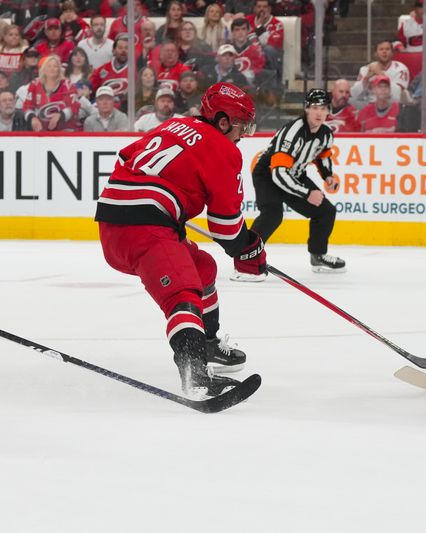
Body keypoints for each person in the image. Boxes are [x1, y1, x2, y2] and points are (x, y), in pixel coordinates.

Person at [95, 82, 264, 397]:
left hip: (115, 220)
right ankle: (195, 375)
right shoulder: (224, 149)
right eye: (241, 126)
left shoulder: (175, 124)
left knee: (203, 269)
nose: (243, 135)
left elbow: (126, 159)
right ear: (224, 121)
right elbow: (226, 229)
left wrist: (167, 211)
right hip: (144, 228)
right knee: (182, 291)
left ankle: (207, 343)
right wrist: (249, 248)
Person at [237, 88, 345, 280]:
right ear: (306, 109)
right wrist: (306, 193)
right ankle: (246, 259)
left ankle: (318, 255)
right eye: (315, 107)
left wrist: (327, 176)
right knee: (272, 215)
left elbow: (322, 155)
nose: (319, 112)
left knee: (326, 211)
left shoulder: (326, 134)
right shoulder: (293, 132)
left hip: (294, 173)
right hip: (268, 174)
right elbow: (278, 174)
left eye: (324, 108)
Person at [23, 55, 80, 132]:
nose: (52, 69)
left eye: (55, 66)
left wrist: (61, 115)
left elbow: (75, 107)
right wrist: (32, 117)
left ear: (59, 69)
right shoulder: (35, 85)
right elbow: (27, 106)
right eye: (49, 66)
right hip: (41, 129)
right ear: (44, 69)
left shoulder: (68, 85)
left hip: (65, 129)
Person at [351, 39, 410, 107]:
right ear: (375, 53)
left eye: (387, 49)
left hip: (391, 107)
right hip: (369, 106)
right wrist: (366, 79)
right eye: (381, 49)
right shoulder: (366, 69)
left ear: (392, 53)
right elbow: (354, 94)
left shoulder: (401, 69)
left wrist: (380, 73)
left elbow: (397, 95)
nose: (384, 52)